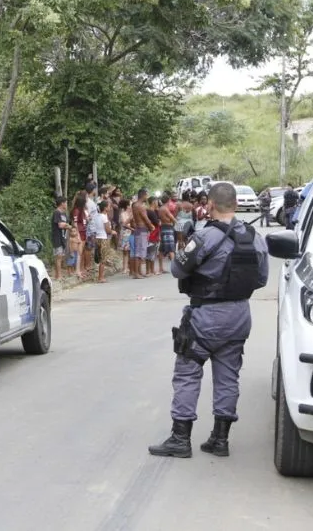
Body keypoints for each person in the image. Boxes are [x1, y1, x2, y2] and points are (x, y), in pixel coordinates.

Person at [148, 182, 269, 459]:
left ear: (210, 205)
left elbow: (178, 269)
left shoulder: (205, 237)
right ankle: (220, 439)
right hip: (239, 315)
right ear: (236, 205)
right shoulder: (254, 237)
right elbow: (261, 278)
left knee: (188, 372)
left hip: (206, 315)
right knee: (228, 376)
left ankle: (180, 438)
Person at [130, 189, 154, 278]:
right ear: (143, 195)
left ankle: (138, 272)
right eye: (146, 195)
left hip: (138, 229)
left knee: (139, 251)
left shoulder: (135, 205)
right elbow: (145, 218)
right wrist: (151, 226)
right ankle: (136, 273)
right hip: (142, 229)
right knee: (139, 252)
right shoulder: (141, 206)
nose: (147, 197)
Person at [91, 200, 111, 283]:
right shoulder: (104, 217)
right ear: (105, 208)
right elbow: (107, 230)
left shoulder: (97, 216)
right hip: (103, 238)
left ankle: (100, 276)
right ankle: (101, 277)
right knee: (103, 258)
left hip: (97, 237)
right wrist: (112, 231)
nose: (110, 208)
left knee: (99, 257)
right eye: (109, 206)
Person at [50, 196, 70, 280]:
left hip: (63, 236)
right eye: (65, 202)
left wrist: (67, 225)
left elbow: (66, 223)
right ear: (62, 203)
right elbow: (60, 224)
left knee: (61, 256)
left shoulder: (64, 213)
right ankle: (58, 276)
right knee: (58, 256)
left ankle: (58, 275)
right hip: (57, 237)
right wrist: (68, 226)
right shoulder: (57, 212)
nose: (66, 204)